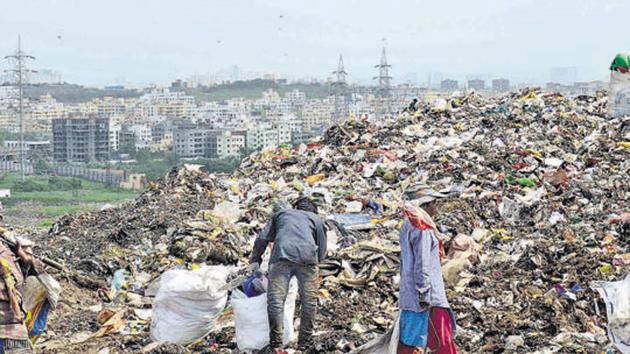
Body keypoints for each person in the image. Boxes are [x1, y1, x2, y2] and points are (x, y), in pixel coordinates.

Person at [250, 197, 327, 353]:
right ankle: (304, 344)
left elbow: (263, 238)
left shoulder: (282, 214)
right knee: (309, 302)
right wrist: (314, 263)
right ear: (313, 210)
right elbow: (322, 250)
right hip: (307, 259)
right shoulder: (316, 219)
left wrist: (255, 259)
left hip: (281, 257)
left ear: (295, 207)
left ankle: (276, 345)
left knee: (276, 301)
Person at [397, 197, 458, 354]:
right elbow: (422, 263)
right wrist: (424, 292)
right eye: (434, 202)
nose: (436, 206)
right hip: (427, 298)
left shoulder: (408, 223)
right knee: (442, 341)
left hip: (410, 295)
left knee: (408, 340)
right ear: (425, 205)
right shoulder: (422, 227)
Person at [0, 237, 38, 354]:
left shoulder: (7, 249)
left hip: (12, 332)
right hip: (10, 332)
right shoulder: (6, 251)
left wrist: (24, 259)